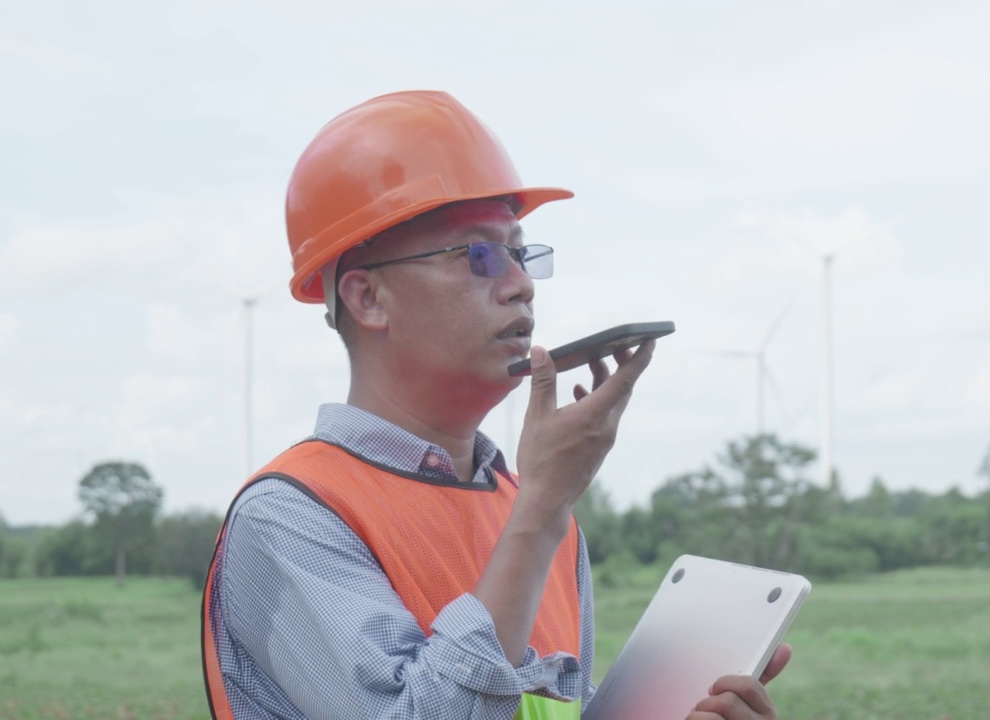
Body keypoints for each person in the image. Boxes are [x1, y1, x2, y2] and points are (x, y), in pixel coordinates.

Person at [201, 90, 791, 719]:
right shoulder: (291, 515)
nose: (521, 283)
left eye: (519, 251)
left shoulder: (535, 514)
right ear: (369, 299)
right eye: (478, 254)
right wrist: (541, 511)